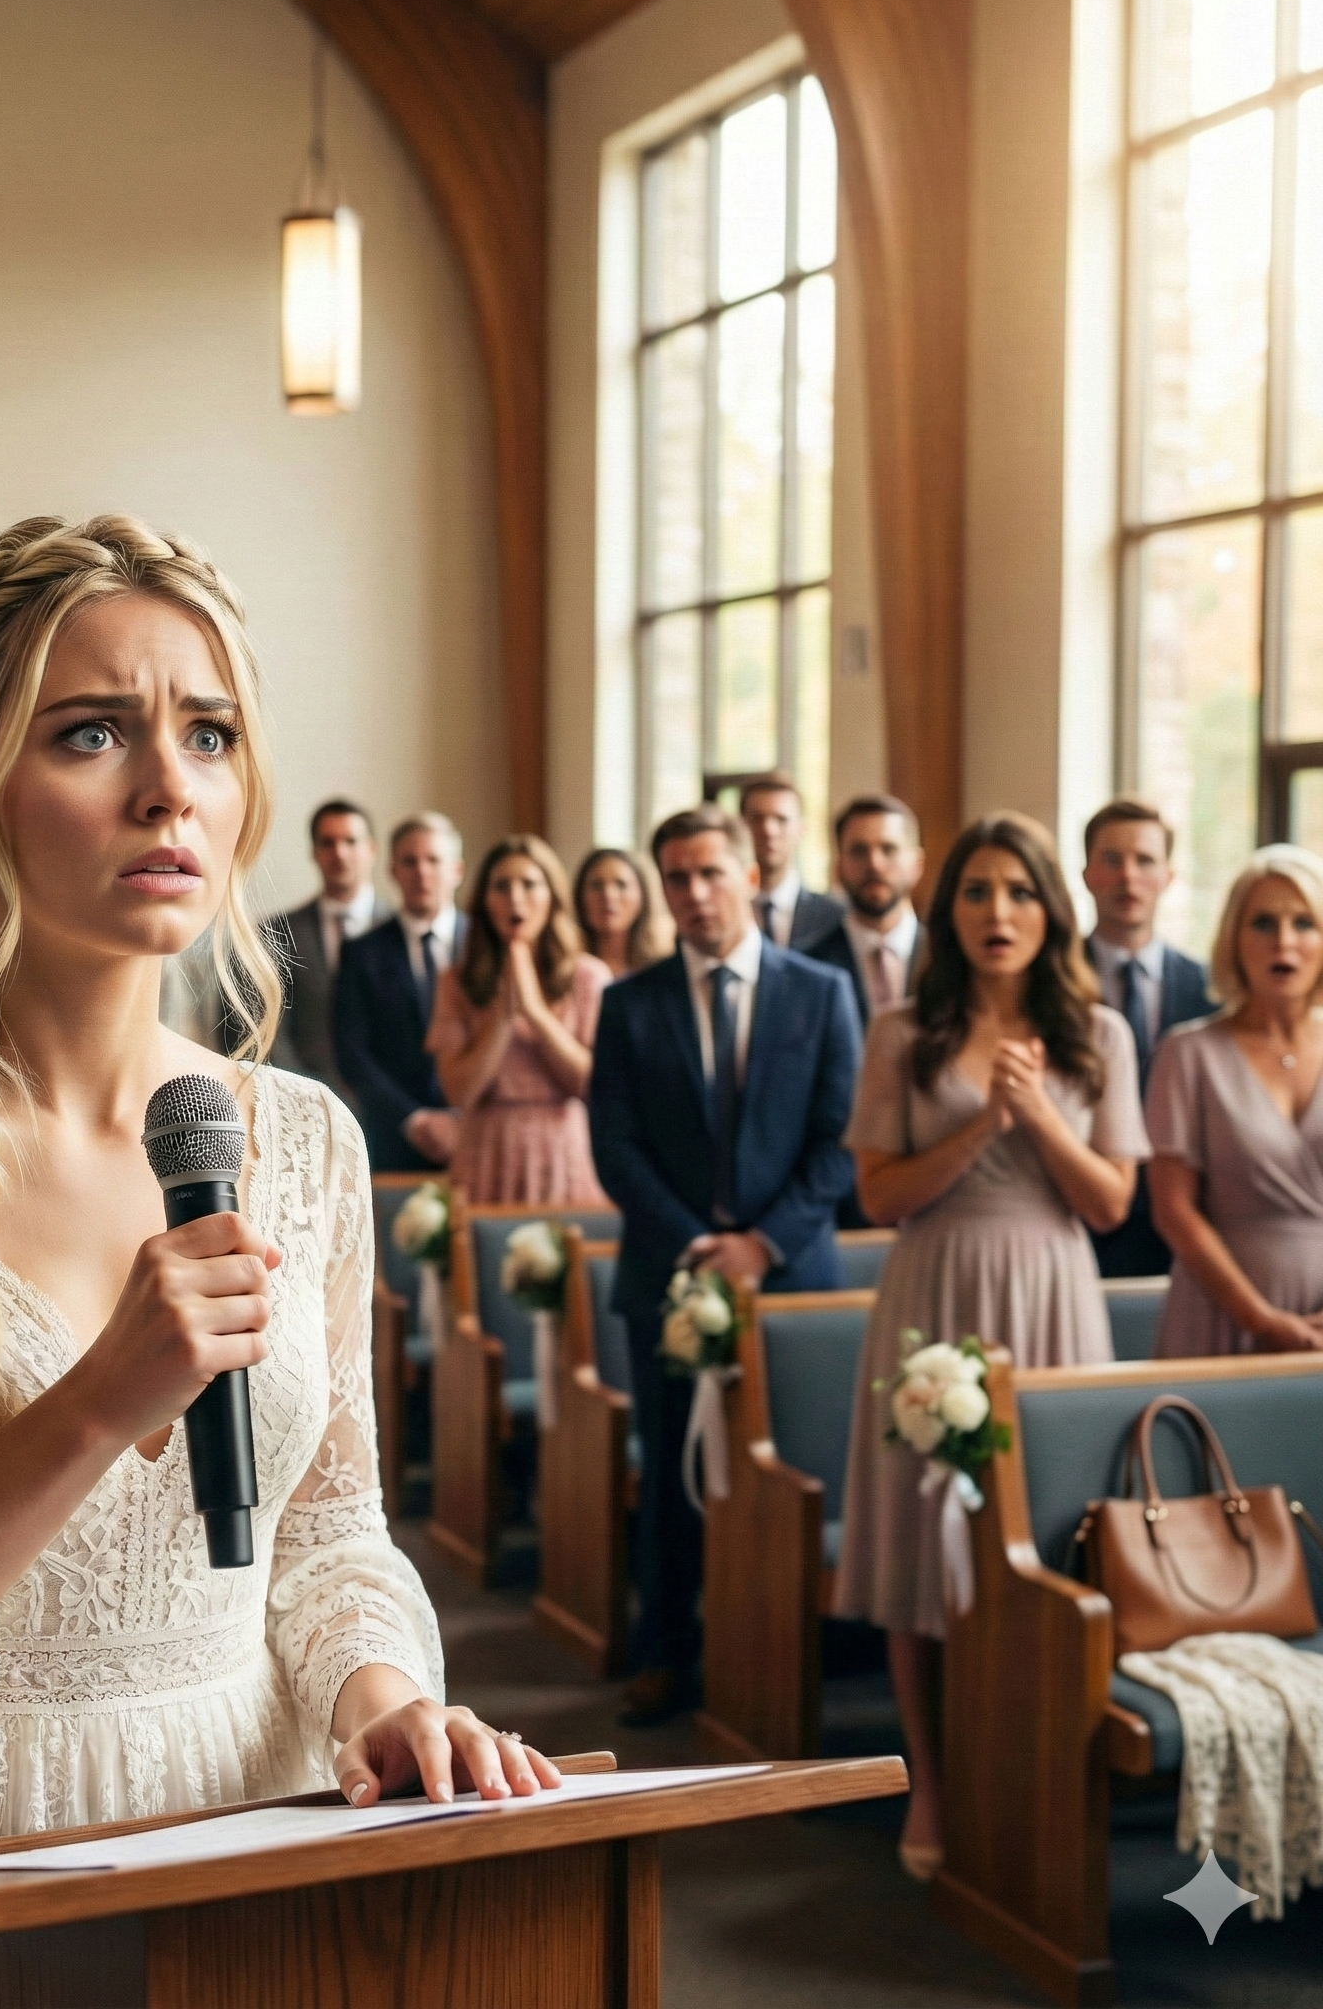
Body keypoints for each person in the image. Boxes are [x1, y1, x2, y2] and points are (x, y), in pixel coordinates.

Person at [0, 517, 558, 2007]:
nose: (169, 789)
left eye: (207, 734)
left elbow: (331, 1541)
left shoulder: (307, 1144)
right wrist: (92, 1408)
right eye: (91, 733)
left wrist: (384, 1693)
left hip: (260, 1853)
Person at [831, 812, 1147, 1880]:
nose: (995, 912)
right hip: (933, 1289)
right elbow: (877, 1195)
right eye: (974, 891)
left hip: (1052, 1292)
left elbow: (1108, 1202)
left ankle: (1029, 1774)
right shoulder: (899, 1029)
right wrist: (980, 1126)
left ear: (1049, 909)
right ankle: (929, 1781)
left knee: (1048, 1545)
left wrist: (1038, 1118)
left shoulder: (1096, 1032)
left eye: (1016, 892)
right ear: (947, 907)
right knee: (922, 1538)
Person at [588, 804, 861, 1723]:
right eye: (677, 878)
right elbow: (614, 1146)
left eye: (711, 873)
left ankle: (788, 1653)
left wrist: (762, 1242)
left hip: (791, 1277)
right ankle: (667, 1653)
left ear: (750, 875)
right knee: (669, 1473)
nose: (695, 894)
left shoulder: (820, 993)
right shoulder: (631, 1002)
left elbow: (839, 1143)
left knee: (784, 1472)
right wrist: (697, 1244)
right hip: (667, 1272)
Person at [1148, 844, 1323, 1356]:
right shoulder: (1187, 1053)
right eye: (1263, 923)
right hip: (1220, 1314)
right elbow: (1173, 1210)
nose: (1284, 942)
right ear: (1234, 937)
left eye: (1304, 923)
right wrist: (1261, 1319)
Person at [429, 834, 611, 1206]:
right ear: (484, 902)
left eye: (529, 884)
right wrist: (503, 1016)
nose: (515, 898)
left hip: (564, 1153)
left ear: (552, 897)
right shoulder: (456, 983)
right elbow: (458, 1093)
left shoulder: (589, 978)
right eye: (501, 886)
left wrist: (536, 1012)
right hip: (486, 1153)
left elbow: (592, 1084)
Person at [1081, 798, 1216, 1276]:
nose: (1128, 876)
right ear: (1087, 873)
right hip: (1079, 1214)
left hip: (1185, 1224)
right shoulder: (1051, 982)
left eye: (1144, 861)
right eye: (1111, 860)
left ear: (1168, 877)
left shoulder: (1211, 989)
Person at [334, 812, 467, 1174]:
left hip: (478, 1137)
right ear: (393, 871)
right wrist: (415, 1119)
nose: (422, 873)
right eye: (410, 862)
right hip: (395, 1140)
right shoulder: (362, 952)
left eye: (434, 861)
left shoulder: (485, 948)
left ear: (456, 870)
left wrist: (461, 1118)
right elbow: (352, 1052)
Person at [247, 797, 380, 1097]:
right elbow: (264, 1029)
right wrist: (307, 1091)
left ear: (371, 849)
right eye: (328, 843)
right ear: (315, 853)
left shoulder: (399, 933)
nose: (340, 853)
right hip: (304, 1097)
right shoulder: (276, 932)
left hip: (393, 1116)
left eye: (350, 841)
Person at [801, 793, 928, 1028]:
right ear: (838, 868)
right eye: (859, 851)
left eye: (888, 849)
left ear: (917, 864)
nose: (874, 864)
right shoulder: (808, 966)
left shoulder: (948, 957)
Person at [740, 772, 845, 951]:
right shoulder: (721, 911)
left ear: (801, 829)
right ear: (740, 827)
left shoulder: (835, 916)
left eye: (781, 819)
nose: (768, 830)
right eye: (757, 819)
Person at [574, 845, 662, 979]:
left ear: (643, 896)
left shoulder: (660, 969)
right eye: (597, 885)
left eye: (621, 885)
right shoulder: (564, 969)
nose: (608, 895)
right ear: (580, 896)